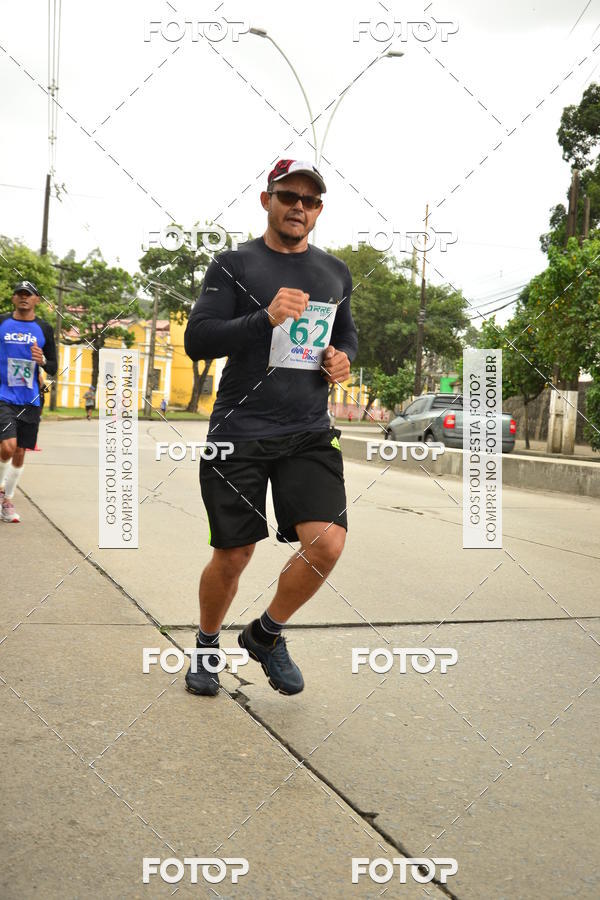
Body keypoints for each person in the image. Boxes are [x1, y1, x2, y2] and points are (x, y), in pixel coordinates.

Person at [184, 159, 358, 697]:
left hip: (307, 428)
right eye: (289, 197)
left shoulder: (334, 273)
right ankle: (207, 644)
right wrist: (265, 317)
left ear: (319, 211)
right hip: (240, 429)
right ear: (267, 201)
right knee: (234, 554)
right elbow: (199, 339)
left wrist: (342, 360)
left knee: (327, 544)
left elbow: (347, 337)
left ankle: (266, 634)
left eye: (310, 201)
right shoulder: (233, 263)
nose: (298, 208)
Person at [0, 281, 57, 522]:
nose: (24, 297)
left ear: (37, 300)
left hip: (31, 399)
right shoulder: (2, 322)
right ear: (14, 299)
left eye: (29, 294)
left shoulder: (44, 328)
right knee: (8, 446)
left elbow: (53, 366)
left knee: (21, 451)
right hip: (3, 395)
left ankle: (7, 500)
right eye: (19, 294)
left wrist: (42, 360)